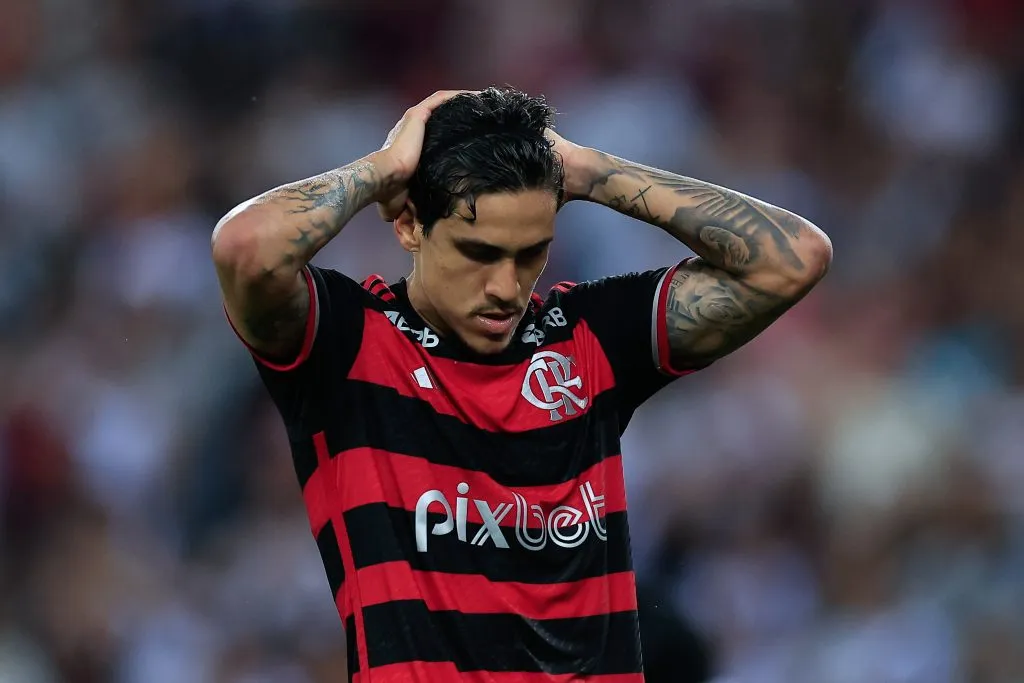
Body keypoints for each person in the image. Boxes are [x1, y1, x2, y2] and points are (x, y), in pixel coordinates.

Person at [211, 87, 832, 682]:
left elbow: (794, 258)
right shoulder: (348, 344)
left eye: (530, 254)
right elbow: (245, 248)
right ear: (408, 226)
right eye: (479, 253)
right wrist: (384, 168)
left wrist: (585, 172)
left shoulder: (588, 340)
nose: (507, 288)